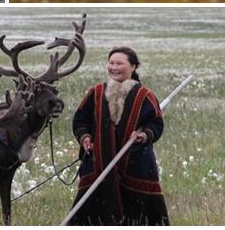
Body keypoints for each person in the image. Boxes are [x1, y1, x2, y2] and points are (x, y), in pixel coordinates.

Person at [67, 47, 170, 225]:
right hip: (98, 163)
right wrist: (84, 137)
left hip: (135, 164)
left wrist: (144, 135)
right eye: (111, 63)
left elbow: (156, 123)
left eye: (119, 63)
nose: (114, 67)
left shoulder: (145, 95)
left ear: (133, 67)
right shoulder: (96, 92)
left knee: (140, 212)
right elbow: (80, 120)